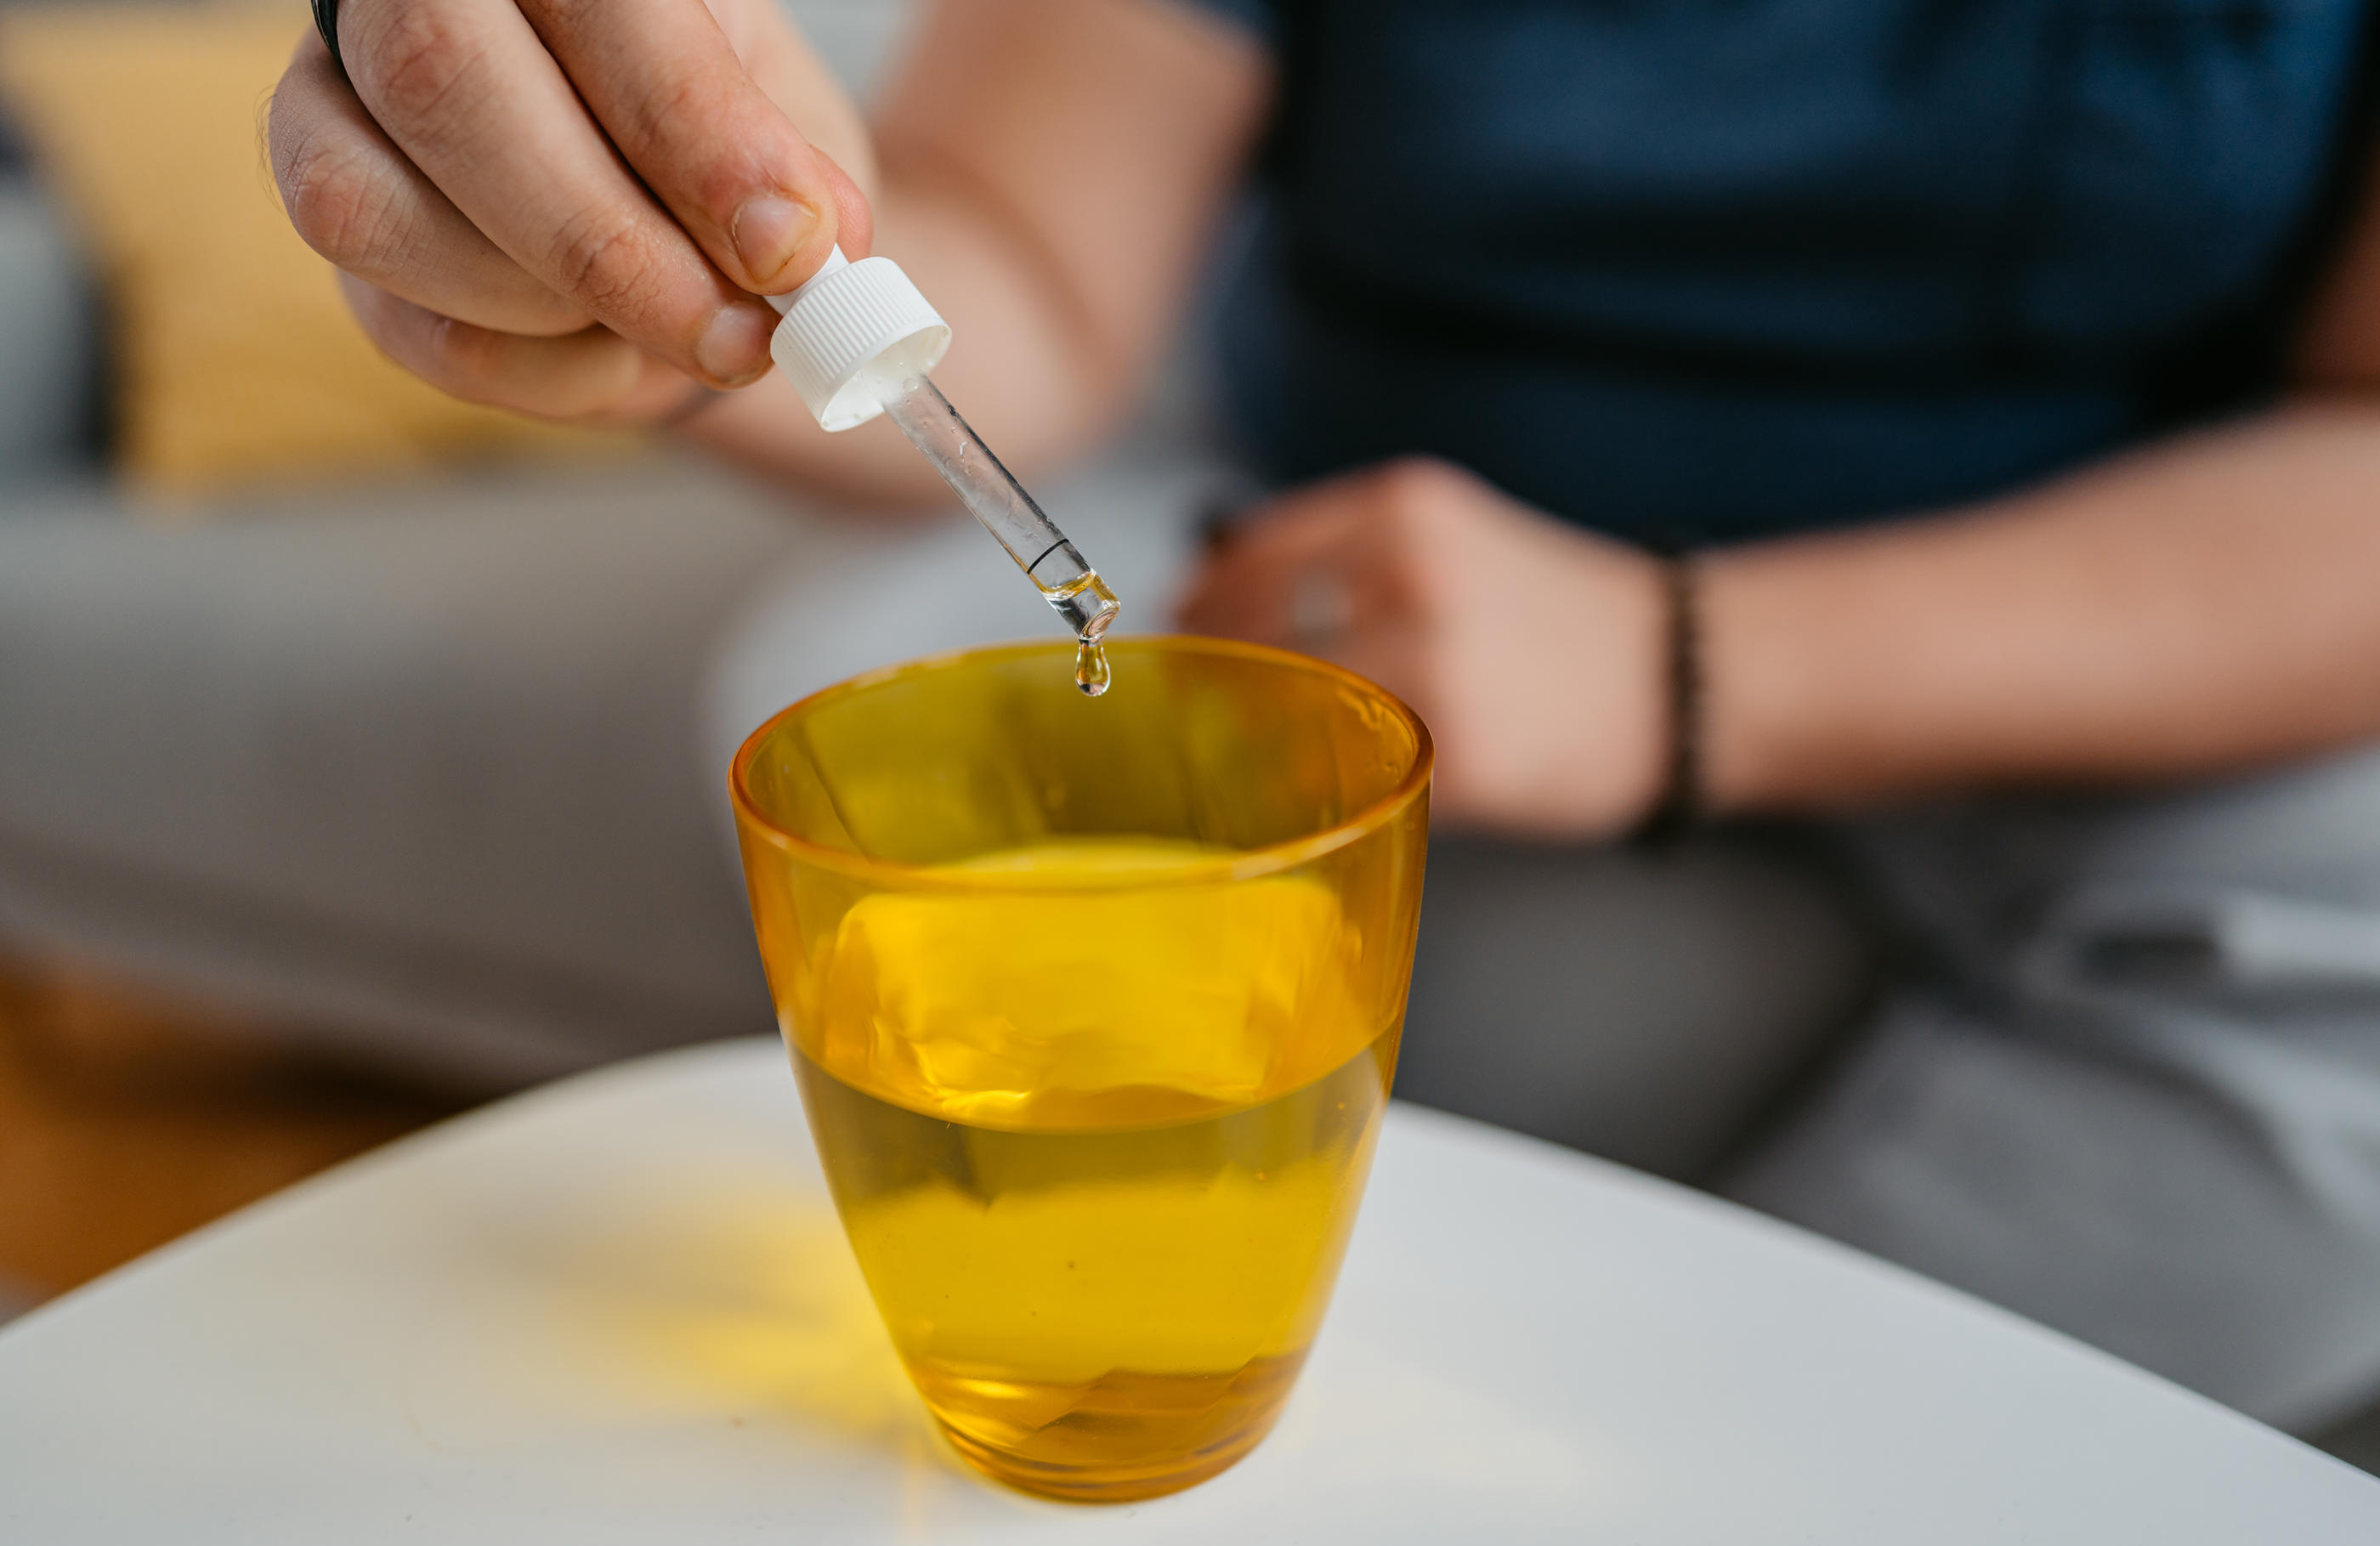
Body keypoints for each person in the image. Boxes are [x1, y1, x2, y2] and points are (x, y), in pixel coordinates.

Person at [269, 0, 2380, 1443]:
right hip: (1349, 551)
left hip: (2129, 601)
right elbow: (1029, 271)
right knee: (854, 706)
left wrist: (1677, 662)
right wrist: (669, 293)